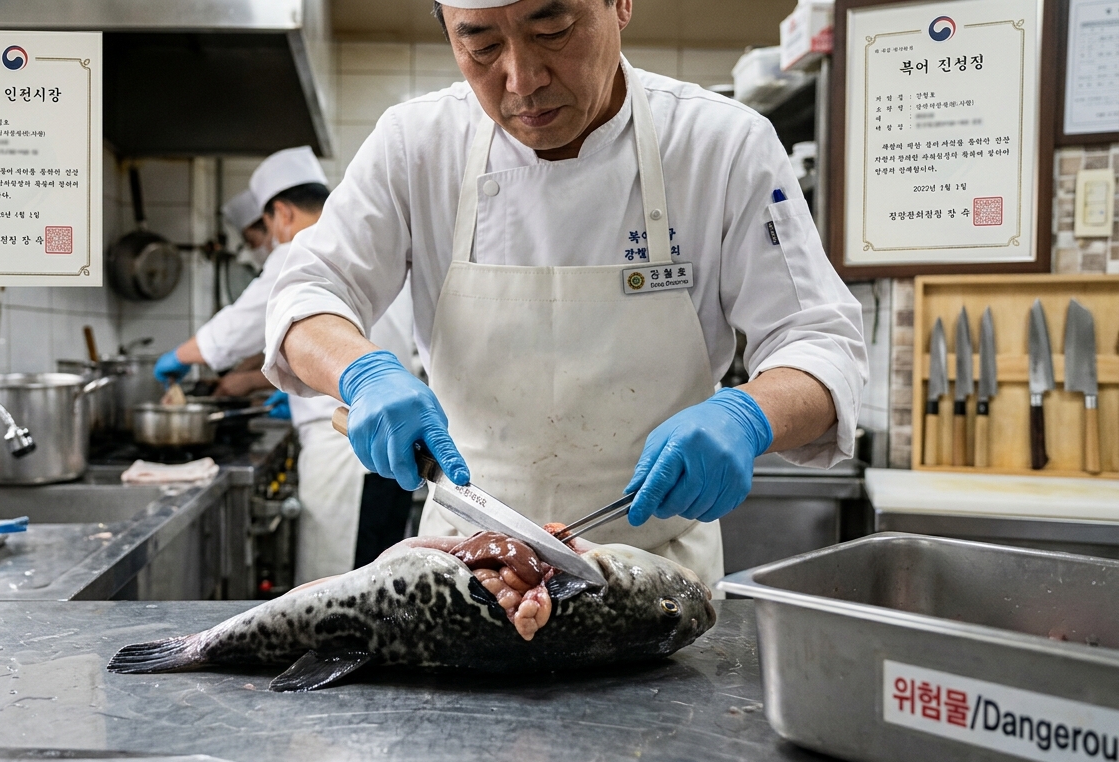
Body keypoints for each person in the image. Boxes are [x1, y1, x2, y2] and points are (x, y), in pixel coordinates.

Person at [262, 0, 867, 584]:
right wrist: (361, 372)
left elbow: (819, 342)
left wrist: (749, 415)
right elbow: (305, 295)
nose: (522, 81)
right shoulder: (415, 143)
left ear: (620, 4)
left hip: (657, 577)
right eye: (481, 45)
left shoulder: (722, 145)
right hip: (464, 568)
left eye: (551, 30)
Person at [154, 147, 420, 583]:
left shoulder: (302, 250)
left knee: (340, 587)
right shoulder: (364, 246)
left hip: (345, 451)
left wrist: (179, 358)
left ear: (281, 213)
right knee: (383, 580)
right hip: (392, 447)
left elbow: (238, 326)